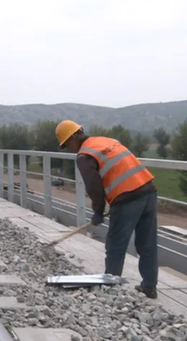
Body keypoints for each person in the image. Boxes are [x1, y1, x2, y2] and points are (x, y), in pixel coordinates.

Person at [56, 120, 158, 299]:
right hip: (148, 191)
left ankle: (111, 287)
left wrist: (98, 211)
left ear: (74, 137)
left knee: (115, 244)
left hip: (127, 197)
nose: (69, 148)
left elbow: (93, 186)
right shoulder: (104, 141)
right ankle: (149, 286)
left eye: (67, 144)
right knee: (147, 243)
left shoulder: (84, 155)